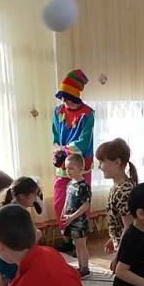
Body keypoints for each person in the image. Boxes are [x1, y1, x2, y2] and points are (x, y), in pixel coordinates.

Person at [52, 69, 96, 234]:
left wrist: (65, 150)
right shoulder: (58, 111)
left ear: (75, 97)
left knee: (81, 200)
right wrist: (57, 150)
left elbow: (84, 142)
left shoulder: (88, 114)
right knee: (59, 201)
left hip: (80, 163)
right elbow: (55, 135)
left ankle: (80, 235)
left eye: (67, 98)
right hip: (62, 163)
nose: (64, 101)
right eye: (62, 97)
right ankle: (66, 235)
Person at [95, 138, 139, 264]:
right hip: (124, 247)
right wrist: (113, 238)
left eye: (102, 162)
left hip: (129, 250)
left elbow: (129, 227)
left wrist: (118, 256)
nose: (99, 167)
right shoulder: (117, 187)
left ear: (117, 162)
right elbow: (120, 222)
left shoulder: (123, 191)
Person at [62, 153, 92, 277]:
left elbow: (85, 205)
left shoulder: (83, 186)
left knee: (81, 245)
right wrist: (64, 212)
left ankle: (85, 268)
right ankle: (80, 266)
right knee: (76, 245)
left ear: (81, 169)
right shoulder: (70, 184)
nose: (68, 171)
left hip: (79, 222)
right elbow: (67, 200)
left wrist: (73, 216)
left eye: (71, 168)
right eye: (66, 168)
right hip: (70, 220)